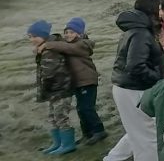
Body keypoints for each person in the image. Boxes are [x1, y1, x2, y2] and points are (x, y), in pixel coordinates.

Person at [104, 0, 164, 161]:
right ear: (151, 10)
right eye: (159, 8)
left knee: (137, 131)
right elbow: (135, 66)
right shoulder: (141, 33)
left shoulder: (138, 30)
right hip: (133, 90)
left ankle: (113, 159)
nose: (161, 12)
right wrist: (157, 77)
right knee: (148, 138)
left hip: (128, 88)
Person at [38, 17, 108, 146]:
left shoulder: (82, 44)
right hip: (78, 83)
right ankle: (87, 134)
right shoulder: (68, 45)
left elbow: (68, 48)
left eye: (71, 32)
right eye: (66, 32)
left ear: (79, 34)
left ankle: (99, 130)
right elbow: (64, 48)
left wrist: (46, 44)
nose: (68, 35)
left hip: (87, 81)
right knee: (80, 109)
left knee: (87, 108)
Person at [28, 20, 78, 155]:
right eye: (30, 37)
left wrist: (44, 90)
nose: (32, 39)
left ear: (43, 35)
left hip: (61, 90)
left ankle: (68, 144)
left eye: (34, 36)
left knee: (61, 116)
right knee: (52, 117)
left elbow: (50, 73)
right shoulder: (45, 48)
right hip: (53, 91)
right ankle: (57, 143)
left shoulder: (50, 50)